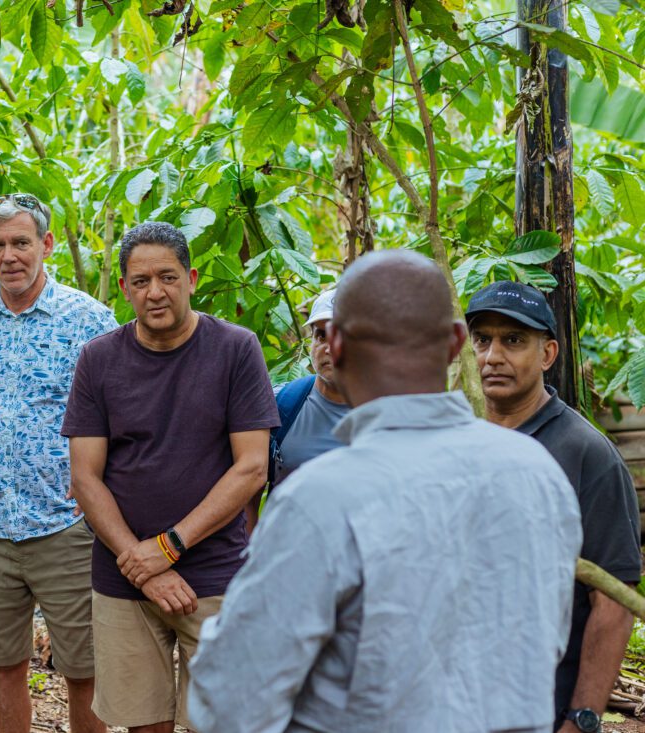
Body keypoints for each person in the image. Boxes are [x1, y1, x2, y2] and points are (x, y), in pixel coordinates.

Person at [188, 250, 583, 733]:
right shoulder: (537, 474)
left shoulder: (324, 498)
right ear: (457, 342)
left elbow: (231, 699)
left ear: (335, 343)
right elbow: (545, 643)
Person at [62, 221, 279, 733]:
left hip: (215, 575)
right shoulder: (99, 359)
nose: (154, 292)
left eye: (167, 277)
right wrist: (144, 564)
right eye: (140, 281)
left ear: (191, 278)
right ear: (124, 289)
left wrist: (170, 546)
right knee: (142, 723)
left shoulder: (235, 349)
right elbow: (85, 477)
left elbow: (251, 467)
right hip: (124, 579)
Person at [0, 193, 116, 733]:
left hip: (67, 525)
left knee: (82, 669)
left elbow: (124, 402)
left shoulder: (88, 318)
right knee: (4, 663)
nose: (9, 255)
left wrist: (104, 483)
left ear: (47, 245)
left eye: (21, 242)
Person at [466, 281, 641, 733]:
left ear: (547, 354)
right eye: (482, 340)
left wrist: (580, 719)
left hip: (538, 708)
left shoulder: (587, 454)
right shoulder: (451, 441)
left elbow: (613, 601)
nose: (493, 357)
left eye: (514, 340)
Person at [268, 288, 350, 487]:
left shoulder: (391, 413)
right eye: (321, 336)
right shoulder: (280, 403)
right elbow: (249, 485)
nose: (329, 348)